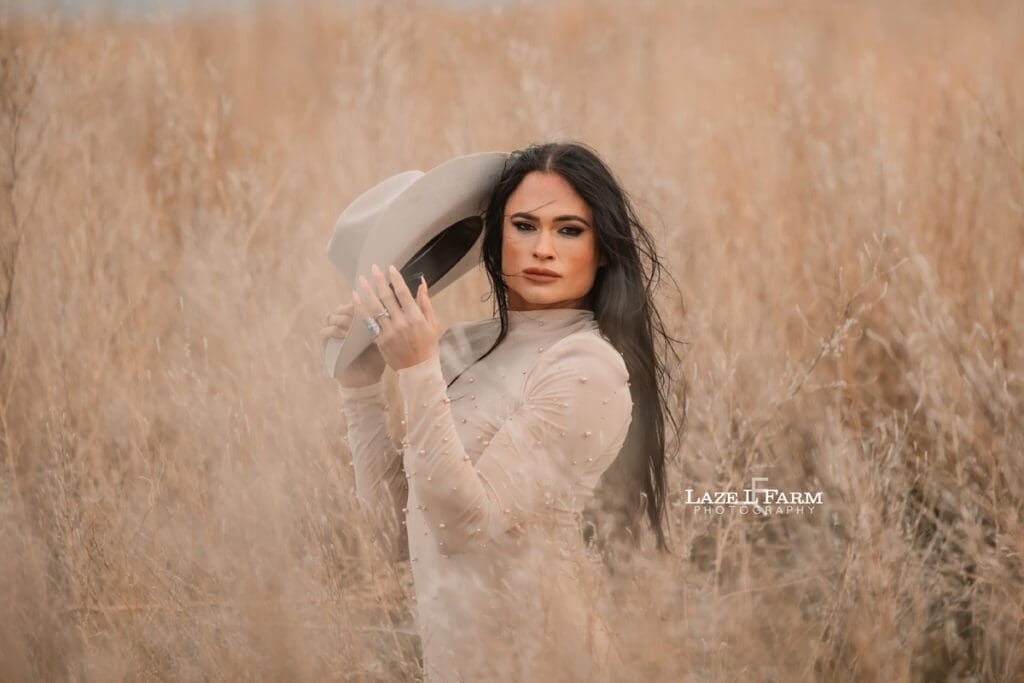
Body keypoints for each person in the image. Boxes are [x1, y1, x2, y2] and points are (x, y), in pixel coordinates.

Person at [320, 142, 679, 681]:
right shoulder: (460, 347)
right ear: (497, 237)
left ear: (602, 249)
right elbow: (396, 533)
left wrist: (416, 369)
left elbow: (463, 527)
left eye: (569, 230)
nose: (543, 250)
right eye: (524, 226)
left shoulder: (586, 366)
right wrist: (361, 388)